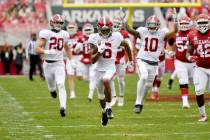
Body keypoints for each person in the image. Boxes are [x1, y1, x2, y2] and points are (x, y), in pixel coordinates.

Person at [124, 15, 176, 113]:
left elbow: (174, 32)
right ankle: (137, 103)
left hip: (154, 63)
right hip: (142, 60)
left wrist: (176, 22)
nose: (152, 27)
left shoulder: (162, 33)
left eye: (154, 25)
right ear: (147, 25)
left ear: (158, 25)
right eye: (150, 25)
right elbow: (131, 31)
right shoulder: (143, 31)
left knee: (148, 86)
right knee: (143, 77)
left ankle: (141, 103)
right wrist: (125, 23)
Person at [89, 17, 132, 126]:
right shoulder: (94, 38)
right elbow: (93, 60)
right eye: (103, 30)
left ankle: (109, 108)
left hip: (110, 67)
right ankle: (104, 111)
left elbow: (126, 45)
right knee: (100, 96)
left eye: (107, 29)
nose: (105, 32)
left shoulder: (117, 36)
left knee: (106, 80)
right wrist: (99, 52)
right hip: (98, 69)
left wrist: (131, 60)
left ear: (111, 28)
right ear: (98, 29)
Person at [35, 14, 72, 117]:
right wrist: (47, 51)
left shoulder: (64, 34)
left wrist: (72, 60)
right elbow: (37, 49)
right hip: (47, 64)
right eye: (56, 22)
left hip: (59, 63)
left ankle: (63, 107)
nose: (58, 24)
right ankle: (52, 91)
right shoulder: (46, 33)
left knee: (61, 84)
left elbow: (67, 48)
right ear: (51, 22)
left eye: (60, 23)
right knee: (52, 87)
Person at [187, 14, 210, 122]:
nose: (202, 25)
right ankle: (202, 114)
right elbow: (188, 52)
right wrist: (190, 56)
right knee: (199, 90)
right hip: (200, 67)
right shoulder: (192, 35)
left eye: (204, 22)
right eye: (200, 23)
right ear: (196, 24)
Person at [170, 16, 194, 108]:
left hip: (192, 62)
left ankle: (200, 96)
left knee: (194, 81)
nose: (184, 25)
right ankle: (185, 101)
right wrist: (172, 51)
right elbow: (172, 44)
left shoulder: (193, 33)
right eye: (182, 24)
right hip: (180, 61)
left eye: (185, 23)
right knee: (183, 79)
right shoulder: (176, 34)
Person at [110, 17, 133, 106]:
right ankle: (113, 96)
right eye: (114, 24)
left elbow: (129, 46)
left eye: (117, 24)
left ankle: (121, 96)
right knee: (110, 78)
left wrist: (130, 60)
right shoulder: (108, 33)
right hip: (111, 59)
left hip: (120, 59)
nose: (115, 26)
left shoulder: (124, 34)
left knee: (121, 79)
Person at [66, 21, 83, 99]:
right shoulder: (64, 36)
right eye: (70, 27)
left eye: (72, 27)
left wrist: (80, 47)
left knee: (80, 77)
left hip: (79, 57)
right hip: (70, 57)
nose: (71, 29)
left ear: (76, 28)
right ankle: (72, 93)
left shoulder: (80, 35)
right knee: (70, 75)